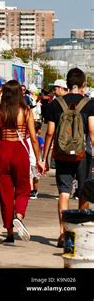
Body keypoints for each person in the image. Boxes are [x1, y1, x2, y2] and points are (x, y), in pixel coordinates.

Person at [0, 80, 43, 244]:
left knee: (5, 193)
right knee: (24, 188)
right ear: (19, 93)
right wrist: (39, 160)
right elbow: (33, 138)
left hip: (3, 150)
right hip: (20, 151)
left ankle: (9, 233)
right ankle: (19, 215)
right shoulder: (26, 111)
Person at [42, 68, 94, 248]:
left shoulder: (56, 104)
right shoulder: (89, 104)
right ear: (83, 85)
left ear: (66, 82)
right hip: (83, 155)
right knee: (83, 193)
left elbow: (49, 132)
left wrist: (44, 157)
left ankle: (63, 233)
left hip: (62, 154)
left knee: (64, 193)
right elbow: (93, 132)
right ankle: (79, 234)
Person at [30, 121, 44, 200]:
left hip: (29, 160)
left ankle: (31, 191)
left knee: (30, 177)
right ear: (39, 130)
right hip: (36, 160)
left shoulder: (28, 138)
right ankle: (35, 191)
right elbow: (42, 147)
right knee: (36, 178)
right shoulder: (39, 139)